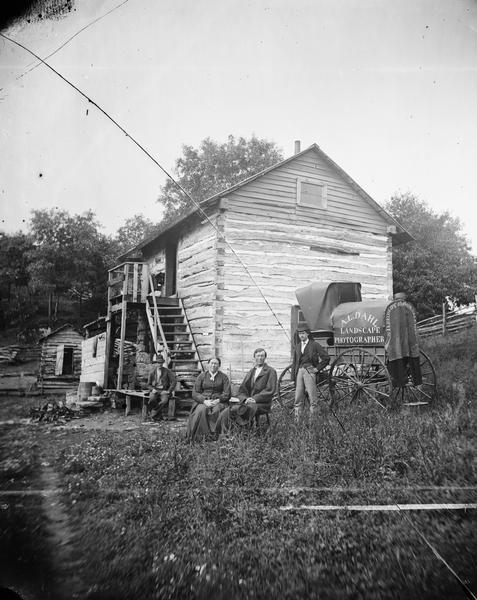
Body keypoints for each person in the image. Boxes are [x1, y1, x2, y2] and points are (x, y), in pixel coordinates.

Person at [216, 348, 277, 432]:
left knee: (245, 409)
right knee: (228, 410)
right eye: (258, 356)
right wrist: (245, 398)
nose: (260, 358)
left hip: (262, 403)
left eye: (262, 356)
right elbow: (242, 389)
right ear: (254, 358)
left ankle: (244, 432)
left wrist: (255, 399)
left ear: (265, 357)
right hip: (248, 401)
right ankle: (224, 432)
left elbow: (270, 390)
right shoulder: (252, 371)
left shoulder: (271, 371)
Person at [186, 357, 231, 441]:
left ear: (219, 365)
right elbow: (195, 392)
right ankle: (200, 436)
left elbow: (227, 393)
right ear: (208, 365)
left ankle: (215, 436)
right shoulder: (202, 376)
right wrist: (204, 401)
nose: (213, 365)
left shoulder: (224, 377)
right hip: (204, 400)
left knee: (218, 410)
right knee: (201, 410)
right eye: (212, 363)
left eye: (216, 363)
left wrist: (218, 400)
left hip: (218, 401)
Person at [292, 325, 329, 421]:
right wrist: (294, 377)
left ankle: (313, 422)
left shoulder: (314, 345)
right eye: (300, 334)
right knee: (298, 398)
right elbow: (295, 363)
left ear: (307, 334)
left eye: (303, 333)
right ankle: (297, 421)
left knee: (313, 398)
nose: (301, 335)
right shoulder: (297, 346)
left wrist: (317, 369)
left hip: (310, 371)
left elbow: (326, 358)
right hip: (300, 371)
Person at [147, 353, 176, 420]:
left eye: (161, 363)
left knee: (164, 400)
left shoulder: (167, 371)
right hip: (155, 389)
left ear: (163, 363)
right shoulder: (152, 372)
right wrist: (152, 389)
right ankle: (157, 415)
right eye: (158, 363)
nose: (159, 364)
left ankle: (153, 413)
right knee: (152, 399)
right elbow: (148, 384)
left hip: (164, 390)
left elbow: (174, 381)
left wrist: (169, 391)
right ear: (155, 363)